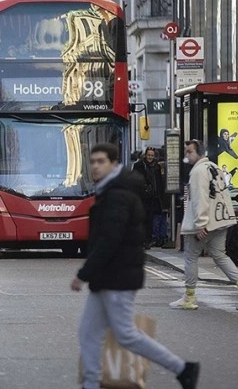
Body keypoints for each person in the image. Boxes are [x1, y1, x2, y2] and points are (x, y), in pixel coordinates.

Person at [71, 143, 199, 389]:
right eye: (93, 161)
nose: (95, 166)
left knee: (126, 334)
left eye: (101, 161)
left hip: (118, 277)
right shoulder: (109, 190)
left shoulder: (118, 195)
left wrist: (83, 274)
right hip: (106, 277)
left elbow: (110, 239)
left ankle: (182, 368)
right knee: (88, 333)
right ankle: (90, 383)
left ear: (114, 164)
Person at [171, 139, 238, 311]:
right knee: (220, 255)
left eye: (190, 152)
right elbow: (223, 195)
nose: (187, 155)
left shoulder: (197, 172)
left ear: (199, 152)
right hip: (220, 221)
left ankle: (189, 297)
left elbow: (200, 199)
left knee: (190, 257)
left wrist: (201, 224)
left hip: (204, 223)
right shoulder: (214, 167)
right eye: (186, 152)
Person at [133, 147, 167, 248]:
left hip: (154, 198)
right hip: (142, 197)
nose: (150, 157)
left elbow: (159, 182)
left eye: (152, 155)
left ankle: (148, 240)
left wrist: (161, 197)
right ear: (145, 155)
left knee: (150, 219)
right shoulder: (138, 166)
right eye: (148, 155)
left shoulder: (157, 167)